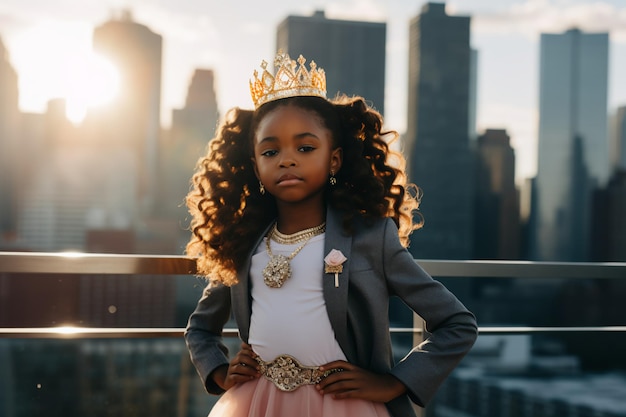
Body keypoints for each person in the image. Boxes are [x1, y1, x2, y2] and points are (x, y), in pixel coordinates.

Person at [184, 51, 478, 417]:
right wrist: (219, 370)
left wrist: (393, 382)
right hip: (256, 403)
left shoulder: (370, 237)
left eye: (305, 147)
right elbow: (200, 328)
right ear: (256, 167)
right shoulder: (244, 244)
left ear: (334, 159)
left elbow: (457, 323)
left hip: (344, 407)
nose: (287, 159)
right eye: (270, 150)